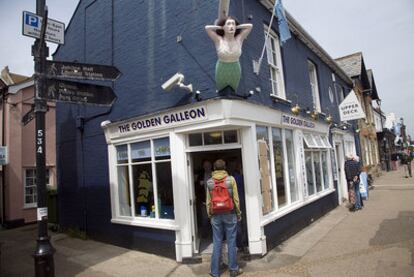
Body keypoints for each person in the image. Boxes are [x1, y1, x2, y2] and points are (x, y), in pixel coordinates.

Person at [206, 159, 242, 277]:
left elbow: (208, 202)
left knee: (217, 242)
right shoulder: (231, 180)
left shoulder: (210, 182)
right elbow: (236, 199)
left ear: (214, 168)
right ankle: (233, 269)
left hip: (216, 215)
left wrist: (210, 215)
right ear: (225, 167)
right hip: (230, 213)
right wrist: (238, 213)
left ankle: (215, 271)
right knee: (231, 241)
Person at [205, 16, 252, 92]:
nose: (231, 26)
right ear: (224, 27)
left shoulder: (239, 39)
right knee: (222, 90)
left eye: (233, 24)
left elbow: (250, 26)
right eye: (229, 24)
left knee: (233, 91)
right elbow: (207, 28)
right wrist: (221, 27)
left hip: (235, 68)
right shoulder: (219, 40)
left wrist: (237, 26)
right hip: (222, 68)